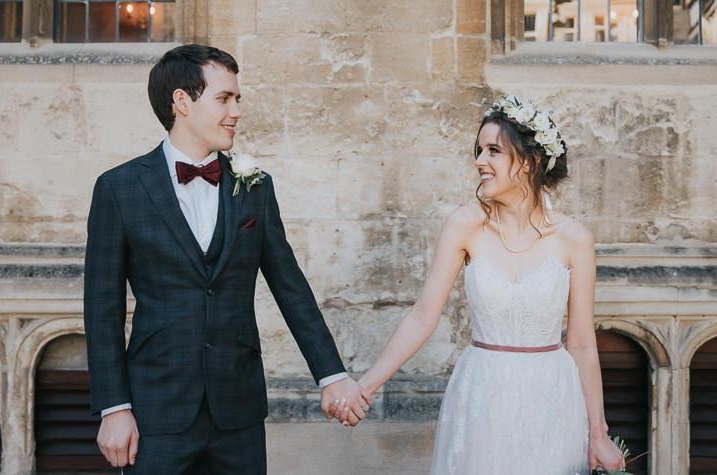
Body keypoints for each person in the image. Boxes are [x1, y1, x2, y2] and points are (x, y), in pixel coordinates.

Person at [84, 44, 367, 474]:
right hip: (156, 410)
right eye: (224, 98)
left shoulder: (255, 185)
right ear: (182, 101)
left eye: (237, 98)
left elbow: (290, 287)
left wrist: (332, 376)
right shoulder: (119, 189)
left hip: (238, 410)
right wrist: (113, 408)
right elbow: (102, 310)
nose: (236, 110)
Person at [335, 95, 626, 474]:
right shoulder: (465, 225)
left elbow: (583, 342)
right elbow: (423, 317)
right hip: (482, 391)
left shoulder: (574, 239)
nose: (479, 161)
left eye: (493, 151)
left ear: (529, 162)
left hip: (552, 396)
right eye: (479, 150)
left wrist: (598, 433)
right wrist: (367, 386)